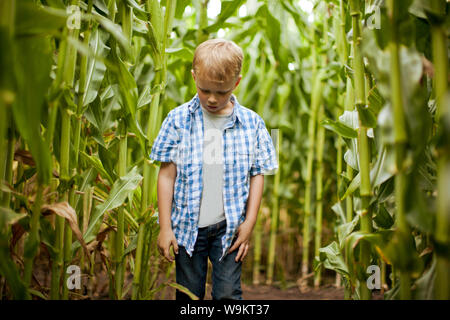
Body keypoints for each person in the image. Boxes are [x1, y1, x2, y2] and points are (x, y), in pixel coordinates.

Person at [150, 38, 278, 300]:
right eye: (204, 89)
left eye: (221, 92)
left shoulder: (252, 124)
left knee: (229, 295)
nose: (211, 99)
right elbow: (166, 174)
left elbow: (257, 174)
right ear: (194, 77)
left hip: (229, 229)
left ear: (237, 83)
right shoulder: (177, 120)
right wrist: (165, 227)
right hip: (187, 228)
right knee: (189, 296)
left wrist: (250, 222)